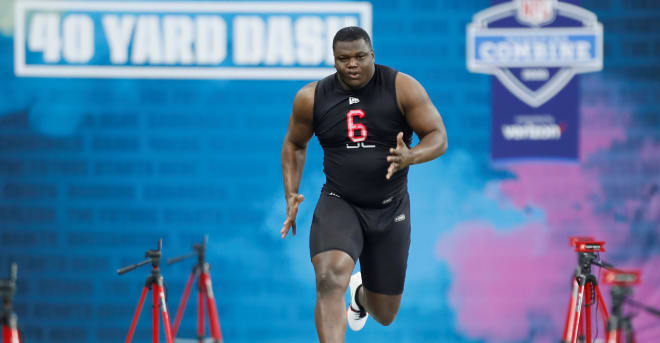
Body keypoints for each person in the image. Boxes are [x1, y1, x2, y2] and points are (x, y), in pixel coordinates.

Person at [280, 26, 447, 342]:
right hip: (339, 201)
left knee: (384, 314)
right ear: (334, 60)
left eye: (359, 56)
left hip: (390, 207)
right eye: (344, 59)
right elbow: (294, 144)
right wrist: (290, 191)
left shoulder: (402, 87)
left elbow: (438, 136)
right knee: (329, 279)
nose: (352, 64)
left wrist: (411, 156)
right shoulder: (312, 97)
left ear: (372, 54)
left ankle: (360, 295)